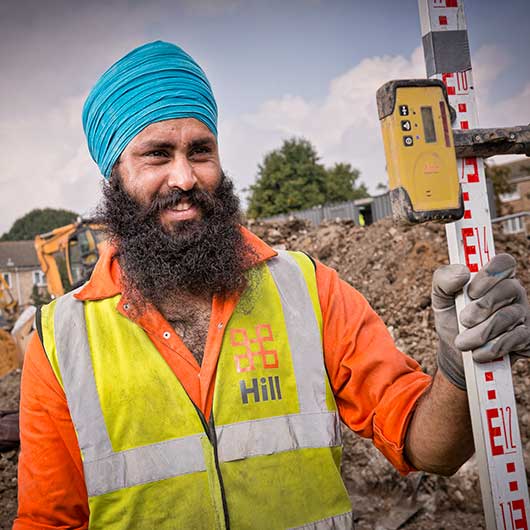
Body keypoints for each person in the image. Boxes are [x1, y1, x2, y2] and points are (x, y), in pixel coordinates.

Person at [15, 41, 530, 530]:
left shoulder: (307, 290)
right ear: (115, 178)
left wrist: (460, 367)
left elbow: (430, 450)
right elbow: (48, 519)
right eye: (156, 155)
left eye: (200, 151)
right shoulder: (63, 343)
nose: (185, 177)